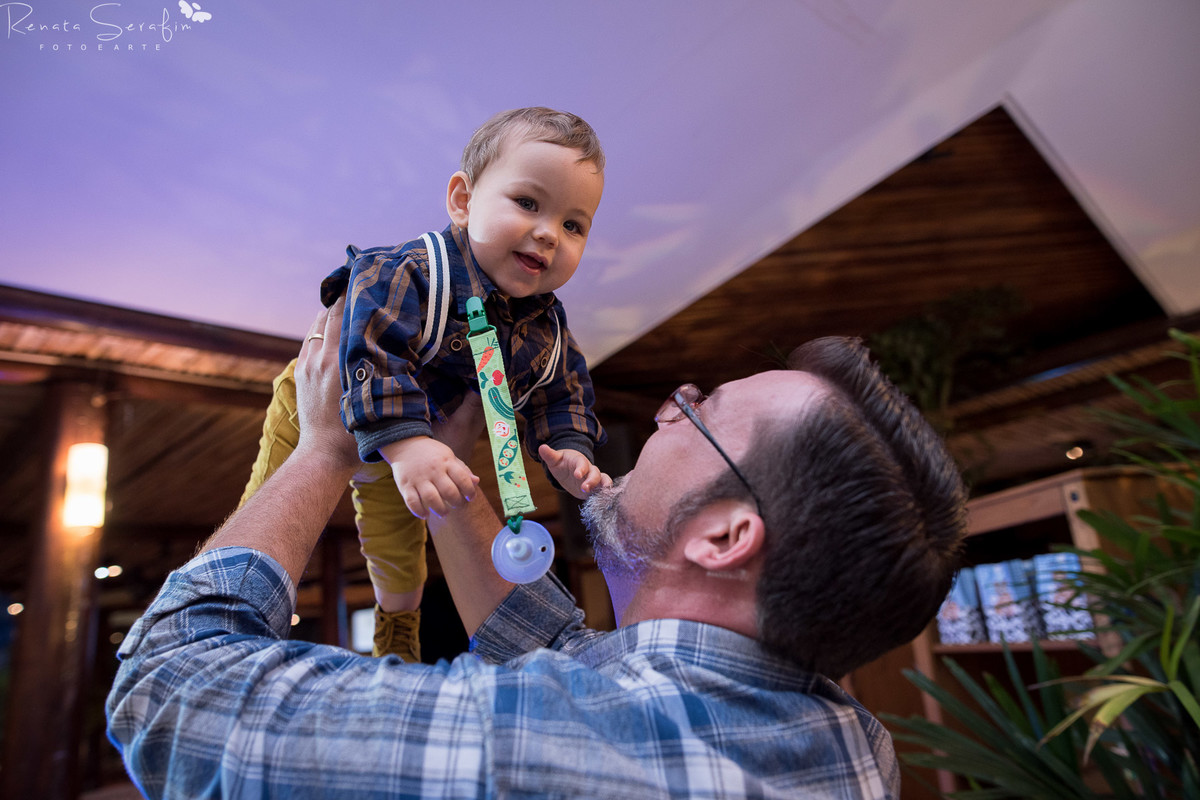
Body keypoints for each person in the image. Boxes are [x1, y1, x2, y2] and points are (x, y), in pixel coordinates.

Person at [106, 297, 968, 799]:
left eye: (698, 409)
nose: (670, 407)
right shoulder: (845, 737)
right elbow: (571, 656)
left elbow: (166, 686)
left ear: (725, 536)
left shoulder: (540, 749)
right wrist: (444, 463)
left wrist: (326, 446)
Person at [237, 107, 610, 661]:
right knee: (274, 500)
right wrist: (408, 442)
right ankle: (239, 613)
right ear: (462, 201)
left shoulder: (546, 328)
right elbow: (373, 345)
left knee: (397, 550)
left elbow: (564, 391)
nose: (547, 233)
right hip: (323, 408)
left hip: (416, 446)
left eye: (573, 224)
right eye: (527, 203)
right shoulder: (409, 271)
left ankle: (396, 625)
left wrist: (573, 450)